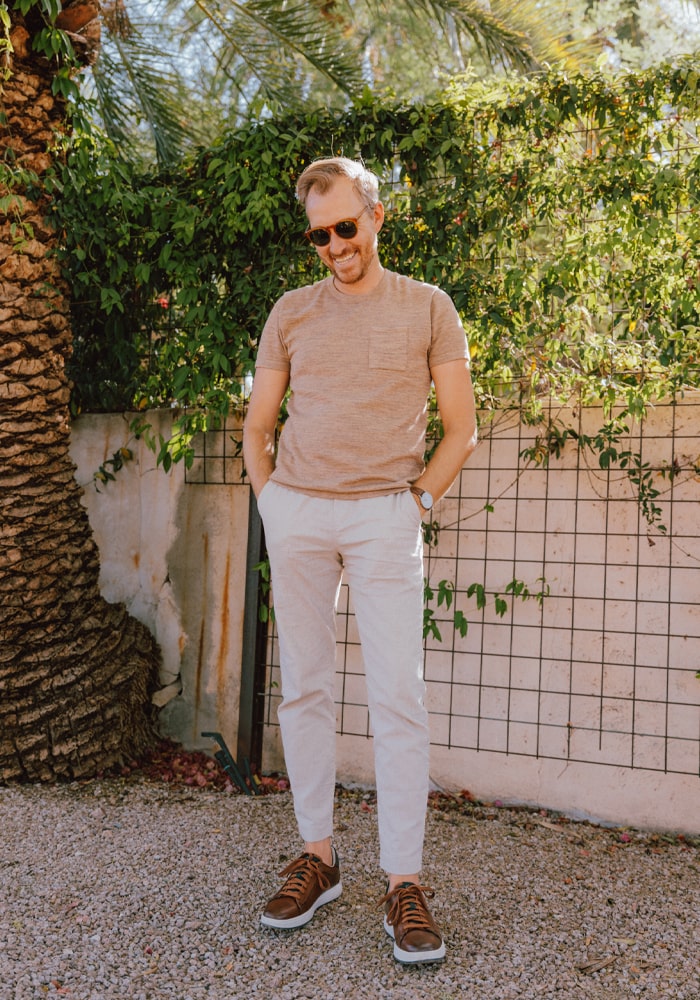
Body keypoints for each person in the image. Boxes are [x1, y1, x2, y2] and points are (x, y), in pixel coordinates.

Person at [242, 156, 477, 964]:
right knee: (304, 685)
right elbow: (258, 424)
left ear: (376, 216)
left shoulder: (430, 308)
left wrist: (415, 504)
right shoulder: (291, 312)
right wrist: (273, 497)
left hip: (385, 516)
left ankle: (403, 881)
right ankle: (319, 855)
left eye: (346, 226)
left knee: (398, 696)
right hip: (299, 512)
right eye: (319, 235)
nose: (335, 246)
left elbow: (461, 428)